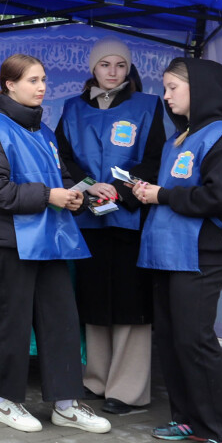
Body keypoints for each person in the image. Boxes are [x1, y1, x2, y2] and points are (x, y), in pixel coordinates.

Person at [133, 58, 222, 443]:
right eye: (165, 87)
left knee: (195, 339)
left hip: (199, 254)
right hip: (166, 253)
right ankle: (189, 419)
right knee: (173, 340)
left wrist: (162, 195)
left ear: (201, 90)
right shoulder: (179, 138)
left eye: (173, 87)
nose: (166, 95)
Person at [0, 54, 112, 436]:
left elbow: (63, 181)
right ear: (8, 85)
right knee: (10, 321)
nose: (42, 86)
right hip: (9, 240)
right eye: (33, 80)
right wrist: (49, 195)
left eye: (44, 79)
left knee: (61, 321)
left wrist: (78, 195)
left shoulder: (45, 133)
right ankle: (5, 401)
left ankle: (65, 404)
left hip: (50, 241)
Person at [55, 39, 165, 415]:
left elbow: (155, 160)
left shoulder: (149, 107)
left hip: (130, 218)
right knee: (94, 300)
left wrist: (119, 191)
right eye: (105, 64)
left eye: (120, 65)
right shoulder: (72, 109)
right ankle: (97, 380)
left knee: (131, 303)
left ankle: (128, 389)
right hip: (89, 217)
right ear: (93, 68)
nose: (113, 71)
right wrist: (88, 186)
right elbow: (62, 157)